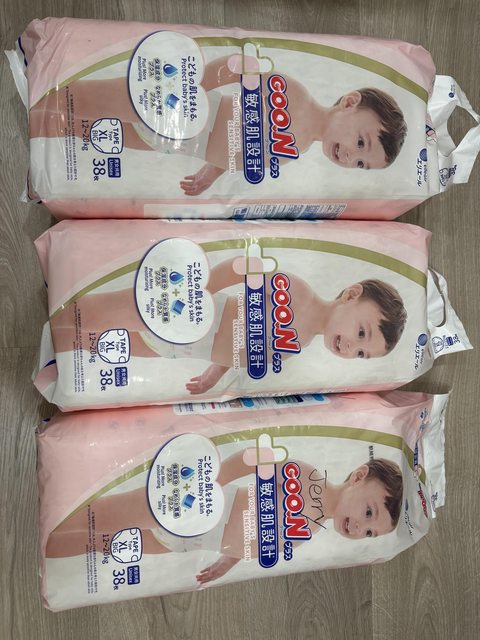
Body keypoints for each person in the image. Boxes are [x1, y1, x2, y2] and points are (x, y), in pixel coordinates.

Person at [29, 53, 408, 195]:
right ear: (349, 103)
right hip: (179, 107)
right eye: (361, 143)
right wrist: (197, 87)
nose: (351, 157)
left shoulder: (296, 150)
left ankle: (40, 132)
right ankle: (38, 90)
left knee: (98, 133)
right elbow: (238, 67)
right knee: (88, 100)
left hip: (177, 145)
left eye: (361, 164)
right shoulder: (294, 93)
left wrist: (210, 174)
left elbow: (237, 155)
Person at [49, 256, 408, 395]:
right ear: (350, 295)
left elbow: (240, 352)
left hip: (185, 348)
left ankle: (55, 351)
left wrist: (214, 374)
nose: (352, 348)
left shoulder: (298, 346)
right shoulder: (297, 291)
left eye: (361, 354)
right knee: (101, 313)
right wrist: (202, 290)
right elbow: (243, 267)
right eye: (362, 333)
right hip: (187, 311)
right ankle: (60, 310)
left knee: (111, 346)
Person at [45, 452, 403, 586]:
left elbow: (254, 541)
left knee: (107, 545)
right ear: (358, 476)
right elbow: (255, 458)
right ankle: (55, 513)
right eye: (368, 513)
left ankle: (46, 548)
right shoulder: (307, 477)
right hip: (193, 506)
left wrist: (227, 562)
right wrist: (213, 481)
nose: (360, 528)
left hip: (193, 541)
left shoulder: (309, 530)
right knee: (105, 516)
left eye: (369, 533)